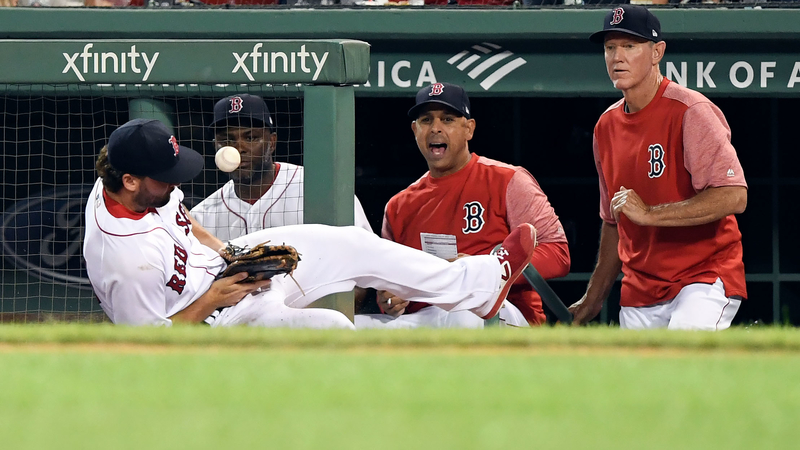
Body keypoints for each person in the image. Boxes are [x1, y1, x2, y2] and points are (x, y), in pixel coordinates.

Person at [82, 118, 537, 328]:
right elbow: (156, 348)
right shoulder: (123, 259)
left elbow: (182, 218)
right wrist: (216, 297)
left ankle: (479, 283)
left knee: (350, 243)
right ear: (130, 181)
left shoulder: (132, 186)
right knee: (333, 331)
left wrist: (229, 254)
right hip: (220, 318)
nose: (174, 183)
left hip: (228, 273)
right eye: (164, 177)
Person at [568, 5, 748, 330]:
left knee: (682, 354)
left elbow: (733, 196)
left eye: (630, 46)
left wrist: (650, 213)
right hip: (640, 287)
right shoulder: (605, 126)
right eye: (610, 47)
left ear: (657, 52)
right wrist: (594, 296)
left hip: (702, 276)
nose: (617, 57)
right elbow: (613, 221)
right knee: (637, 366)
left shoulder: (691, 110)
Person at [355, 83, 570, 329]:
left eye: (447, 119)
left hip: (495, 311)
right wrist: (390, 299)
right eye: (426, 120)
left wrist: (478, 268)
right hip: (428, 317)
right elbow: (389, 288)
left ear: (469, 128)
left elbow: (558, 255)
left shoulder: (508, 180)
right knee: (348, 326)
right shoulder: (399, 206)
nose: (435, 128)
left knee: (464, 313)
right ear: (415, 129)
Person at [190, 93, 372, 241]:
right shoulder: (203, 217)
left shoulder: (319, 191)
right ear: (215, 146)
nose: (239, 148)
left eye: (251, 138)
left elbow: (366, 257)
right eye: (227, 140)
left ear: (272, 142)